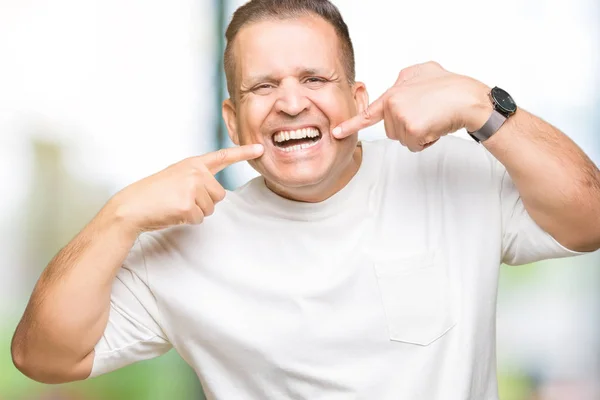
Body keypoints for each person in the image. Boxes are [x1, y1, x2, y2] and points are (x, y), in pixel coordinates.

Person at [11, 0, 600, 398]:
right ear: (234, 121)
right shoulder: (183, 243)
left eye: (314, 79)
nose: (291, 103)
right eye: (263, 86)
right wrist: (119, 215)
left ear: (357, 96)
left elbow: (589, 218)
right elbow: (44, 358)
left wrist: (479, 103)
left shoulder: (450, 173)